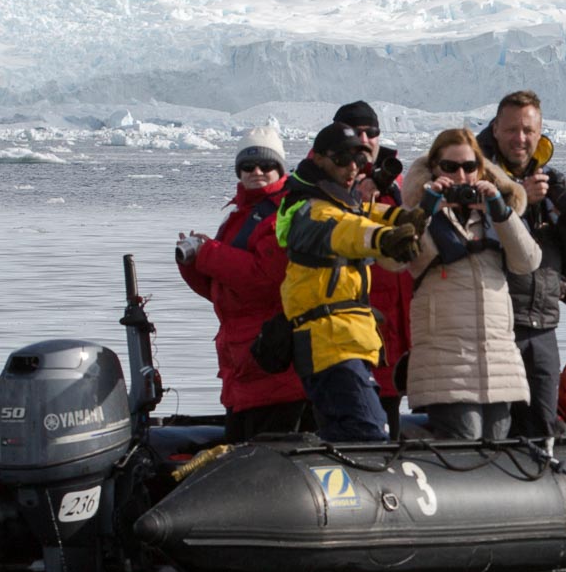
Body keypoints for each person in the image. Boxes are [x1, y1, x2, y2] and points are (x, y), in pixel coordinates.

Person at [276, 122, 427, 442]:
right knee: (368, 432)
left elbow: (367, 215)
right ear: (318, 158)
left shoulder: (337, 201)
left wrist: (402, 218)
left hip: (346, 344)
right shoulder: (309, 210)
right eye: (342, 159)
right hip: (329, 345)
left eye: (358, 161)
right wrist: (385, 240)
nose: (352, 168)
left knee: (349, 432)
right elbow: (347, 231)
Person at [400, 129, 541, 440]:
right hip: (446, 362)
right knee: (464, 436)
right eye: (449, 167)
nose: (461, 176)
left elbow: (528, 262)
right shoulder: (417, 213)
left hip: (498, 360)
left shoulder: (496, 215)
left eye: (469, 167)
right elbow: (394, 260)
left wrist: (500, 210)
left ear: (482, 169)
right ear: (434, 169)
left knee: (496, 446)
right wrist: (426, 208)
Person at [175, 127, 308, 442]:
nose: (257, 172)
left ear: (280, 169)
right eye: (248, 167)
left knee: (269, 460)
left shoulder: (283, 214)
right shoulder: (238, 215)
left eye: (266, 166)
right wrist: (192, 265)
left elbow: (265, 279)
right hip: (242, 367)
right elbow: (221, 291)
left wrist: (208, 253)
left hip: (275, 367)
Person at [476, 90, 566, 437]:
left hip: (542, 323)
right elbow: (479, 243)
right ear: (496, 129)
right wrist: (520, 200)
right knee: (497, 428)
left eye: (529, 131)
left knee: (544, 424)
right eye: (512, 130)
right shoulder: (477, 181)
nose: (521, 139)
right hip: (496, 323)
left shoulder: (550, 181)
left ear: (540, 132)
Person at [333, 100, 412, 437]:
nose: (364, 138)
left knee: (389, 417)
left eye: (371, 131)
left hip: (396, 334)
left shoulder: (401, 185)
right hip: (352, 330)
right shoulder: (323, 184)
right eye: (355, 131)